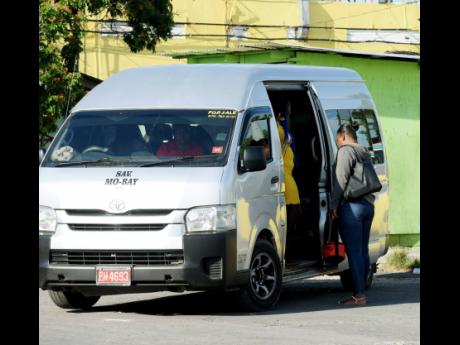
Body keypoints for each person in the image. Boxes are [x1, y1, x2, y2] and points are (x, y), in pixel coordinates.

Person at [331, 123, 375, 306]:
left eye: (337, 140)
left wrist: (334, 205)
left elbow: (340, 180)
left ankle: (359, 295)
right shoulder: (363, 151)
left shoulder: (345, 151)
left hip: (352, 207)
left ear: (342, 136)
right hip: (368, 205)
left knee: (354, 252)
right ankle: (361, 290)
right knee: (363, 251)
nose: (337, 143)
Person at [276, 105, 301, 236]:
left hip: (287, 176)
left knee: (293, 215)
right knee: (291, 215)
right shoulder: (278, 129)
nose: (290, 113)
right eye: (288, 108)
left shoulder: (281, 129)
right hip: (284, 177)